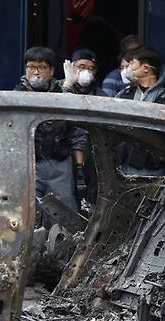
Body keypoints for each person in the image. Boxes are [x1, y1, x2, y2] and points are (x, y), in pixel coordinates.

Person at [14, 47, 83, 217]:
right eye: (31, 67)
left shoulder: (65, 91)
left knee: (64, 211)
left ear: (52, 71)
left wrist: (67, 88)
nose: (35, 72)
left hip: (58, 162)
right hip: (29, 163)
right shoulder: (18, 93)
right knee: (27, 213)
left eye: (41, 67)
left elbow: (74, 128)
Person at [116, 46, 165, 176]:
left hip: (156, 173)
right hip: (123, 171)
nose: (127, 70)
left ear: (146, 68)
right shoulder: (123, 96)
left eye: (132, 64)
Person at [61, 48, 107, 206]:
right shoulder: (59, 88)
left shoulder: (101, 95)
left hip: (90, 157)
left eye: (91, 68)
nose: (86, 72)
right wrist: (66, 86)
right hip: (62, 155)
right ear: (72, 67)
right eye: (82, 67)